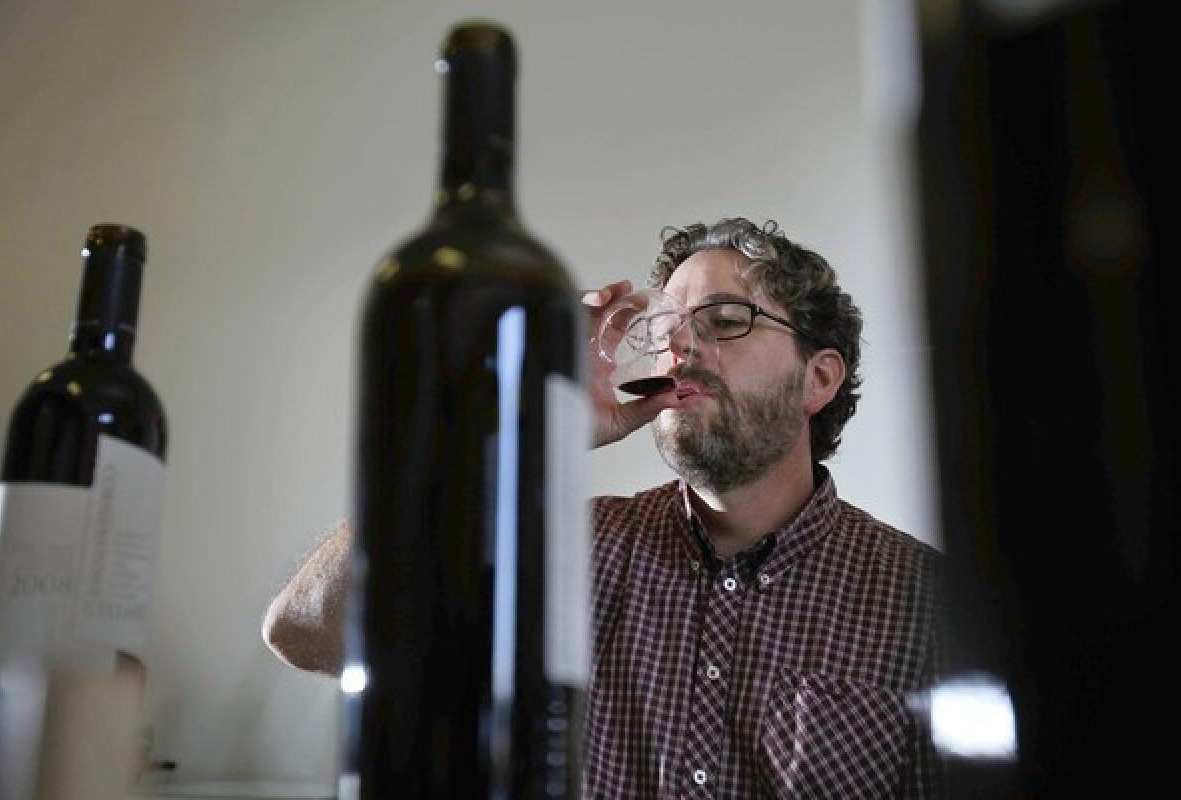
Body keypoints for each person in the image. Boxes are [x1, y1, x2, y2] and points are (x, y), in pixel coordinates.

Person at [262, 218, 944, 797]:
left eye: (727, 320)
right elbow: (304, 630)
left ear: (818, 379)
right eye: (670, 324)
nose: (681, 346)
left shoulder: (928, 601)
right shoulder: (565, 547)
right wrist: (508, 438)